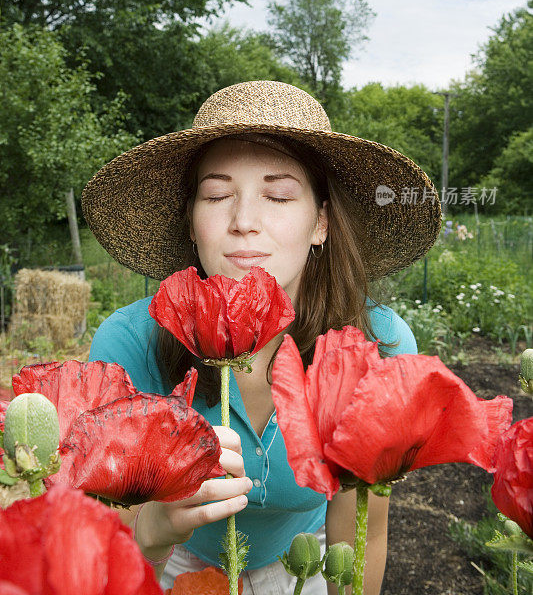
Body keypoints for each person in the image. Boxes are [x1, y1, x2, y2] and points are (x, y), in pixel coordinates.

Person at [83, 80, 441, 595]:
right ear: (190, 220)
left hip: (303, 561)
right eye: (216, 194)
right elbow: (107, 551)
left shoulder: (376, 345)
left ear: (321, 223)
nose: (244, 222)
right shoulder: (128, 343)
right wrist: (154, 528)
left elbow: (362, 530)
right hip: (172, 561)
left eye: (277, 195)